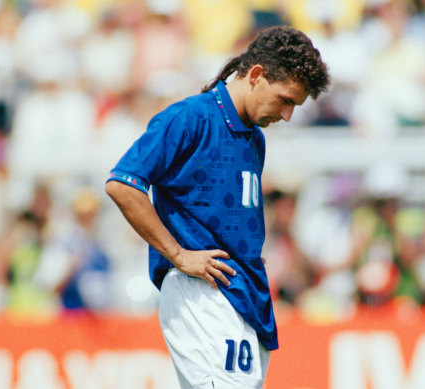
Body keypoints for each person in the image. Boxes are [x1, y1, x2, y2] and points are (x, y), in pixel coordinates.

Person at [105, 25, 330, 389]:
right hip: (201, 289)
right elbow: (123, 183)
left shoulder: (254, 137)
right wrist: (178, 254)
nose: (287, 115)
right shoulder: (190, 117)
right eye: (285, 100)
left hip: (244, 294)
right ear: (256, 75)